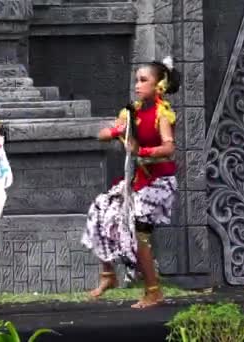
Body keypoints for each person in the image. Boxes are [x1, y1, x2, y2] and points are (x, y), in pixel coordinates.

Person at [81, 56, 180, 309]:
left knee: (140, 232)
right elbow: (102, 134)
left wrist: (141, 152)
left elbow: (169, 148)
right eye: (136, 80)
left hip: (159, 181)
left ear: (159, 85)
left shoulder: (162, 113)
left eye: (143, 80)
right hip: (138, 181)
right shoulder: (131, 112)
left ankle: (153, 291)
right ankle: (108, 275)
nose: (137, 85)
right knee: (102, 210)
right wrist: (118, 133)